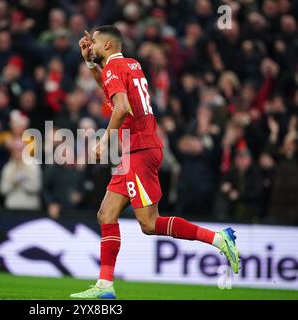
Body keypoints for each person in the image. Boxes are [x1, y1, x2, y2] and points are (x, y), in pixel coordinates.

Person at [70, 26, 240, 299]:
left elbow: (122, 108)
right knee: (106, 214)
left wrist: (103, 141)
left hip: (139, 150)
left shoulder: (116, 68)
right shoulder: (131, 64)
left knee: (149, 224)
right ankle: (104, 286)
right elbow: (109, 87)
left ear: (108, 45)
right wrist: (89, 60)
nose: (93, 47)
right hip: (137, 150)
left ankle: (219, 239)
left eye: (96, 44)